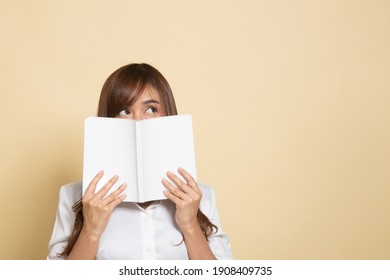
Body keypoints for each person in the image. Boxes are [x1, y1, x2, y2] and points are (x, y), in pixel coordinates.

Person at [47, 63, 232, 260]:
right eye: (124, 111)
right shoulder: (73, 195)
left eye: (151, 109)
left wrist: (190, 225)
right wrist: (91, 232)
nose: (138, 122)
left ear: (168, 116)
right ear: (107, 120)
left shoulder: (200, 196)